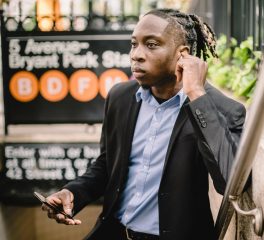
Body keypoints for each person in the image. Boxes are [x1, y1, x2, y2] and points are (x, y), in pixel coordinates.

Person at [41, 8, 246, 240]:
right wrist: (73, 193)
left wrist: (197, 93)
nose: (136, 54)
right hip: (115, 232)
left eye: (151, 44)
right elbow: (108, 165)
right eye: (134, 44)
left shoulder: (220, 109)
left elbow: (230, 183)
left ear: (183, 55)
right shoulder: (120, 97)